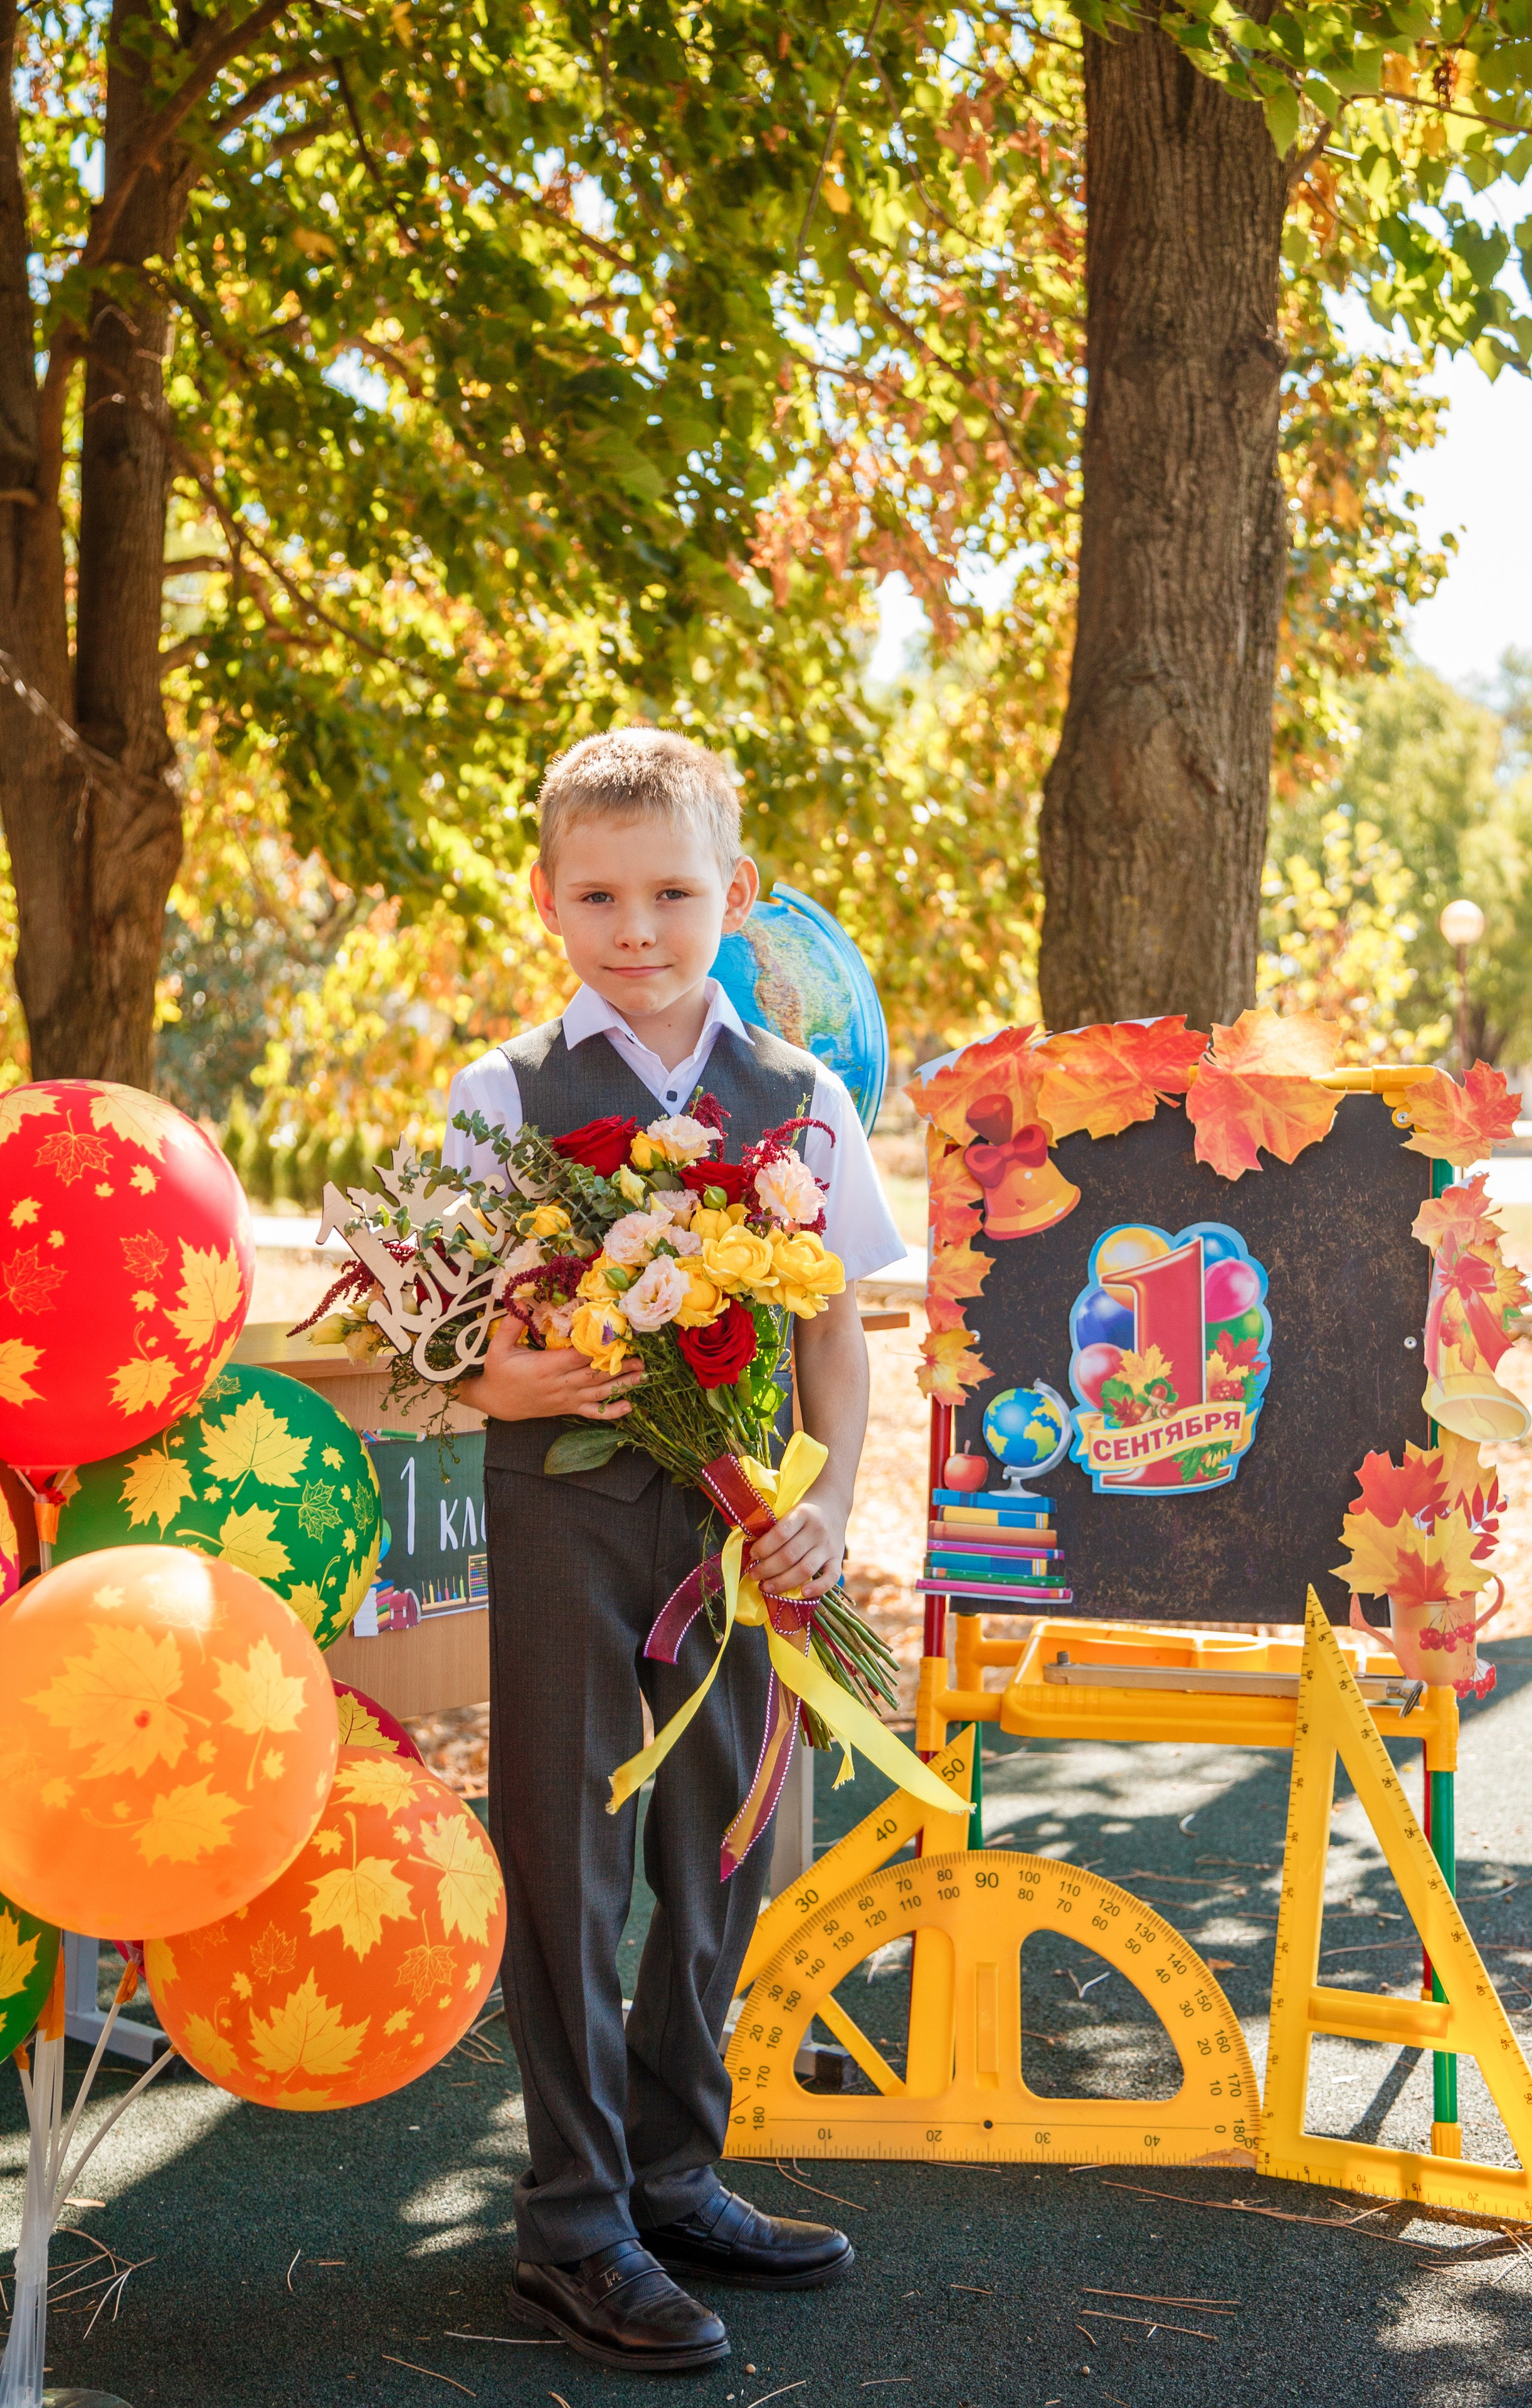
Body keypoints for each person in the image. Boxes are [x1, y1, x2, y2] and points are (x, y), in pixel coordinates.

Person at [445, 727, 905, 2375]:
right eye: (598, 895)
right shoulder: (502, 1098)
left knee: (719, 1831)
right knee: (564, 1846)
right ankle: (571, 2223)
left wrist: (831, 1508)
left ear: (741, 894)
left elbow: (842, 1339)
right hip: (564, 1505)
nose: (634, 928)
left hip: (740, 1534)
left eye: (672, 893)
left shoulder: (803, 1097)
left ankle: (675, 2170)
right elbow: (447, 1342)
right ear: (550, 901)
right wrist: (515, 1373)